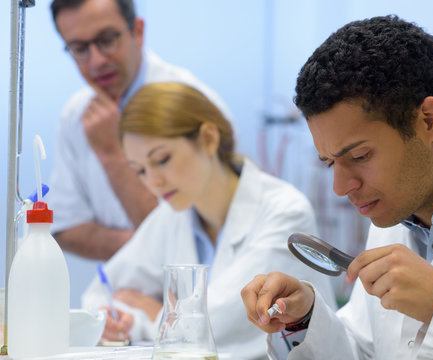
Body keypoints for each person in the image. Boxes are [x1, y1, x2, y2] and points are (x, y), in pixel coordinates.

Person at [241, 15, 433, 359]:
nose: (340, 187)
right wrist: (305, 319)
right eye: (329, 162)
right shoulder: (393, 218)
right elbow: (368, 352)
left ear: (429, 120)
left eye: (360, 155)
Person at [81, 82, 337, 359]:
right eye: (140, 170)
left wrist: (153, 310)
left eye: (162, 159)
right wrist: (117, 320)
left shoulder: (285, 212)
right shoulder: (172, 216)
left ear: (208, 138)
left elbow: (218, 326)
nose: (153, 181)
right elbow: (102, 292)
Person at [48, 0, 230, 259]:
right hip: (121, 288)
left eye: (108, 39)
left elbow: (211, 231)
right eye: (79, 49)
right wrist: (148, 254)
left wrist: (112, 153)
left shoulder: (191, 104)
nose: (97, 60)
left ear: (138, 31)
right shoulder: (75, 115)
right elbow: (65, 229)